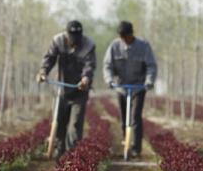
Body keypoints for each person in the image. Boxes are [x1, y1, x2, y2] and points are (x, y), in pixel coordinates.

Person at [37, 20, 96, 158]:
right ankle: (59, 149)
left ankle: (72, 155)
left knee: (74, 125)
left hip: (79, 90)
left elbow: (89, 65)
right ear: (67, 34)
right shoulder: (58, 41)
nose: (74, 40)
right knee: (58, 121)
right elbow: (49, 58)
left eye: (77, 37)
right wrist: (43, 72)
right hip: (61, 88)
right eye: (72, 37)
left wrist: (85, 78)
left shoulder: (88, 45)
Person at [103, 21, 157, 157]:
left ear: (131, 34)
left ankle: (136, 148)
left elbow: (151, 65)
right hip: (121, 87)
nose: (124, 40)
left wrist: (149, 81)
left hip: (138, 87)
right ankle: (126, 140)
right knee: (124, 118)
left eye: (126, 37)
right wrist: (109, 80)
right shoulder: (114, 46)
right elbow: (107, 65)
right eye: (121, 37)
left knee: (135, 117)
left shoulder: (143, 46)